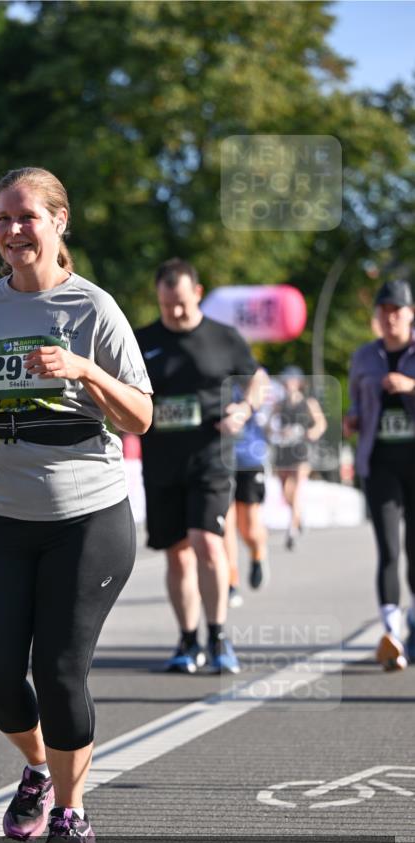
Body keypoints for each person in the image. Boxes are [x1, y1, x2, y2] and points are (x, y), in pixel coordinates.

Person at [0, 167, 152, 843]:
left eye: (26, 216)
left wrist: (84, 370)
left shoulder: (94, 309)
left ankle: (70, 808)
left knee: (60, 671)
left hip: (86, 518)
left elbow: (141, 416)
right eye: (2, 218)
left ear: (59, 222)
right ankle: (38, 767)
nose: (12, 231)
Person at [135, 258, 265, 674]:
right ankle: (188, 641)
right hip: (161, 461)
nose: (174, 312)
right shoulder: (141, 341)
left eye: (181, 303)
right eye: (166, 304)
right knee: (177, 555)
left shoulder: (224, 337)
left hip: (212, 456)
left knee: (207, 542)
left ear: (198, 293)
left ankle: (219, 636)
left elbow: (256, 378)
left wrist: (244, 409)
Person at [345, 279, 415, 671]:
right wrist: (353, 418)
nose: (390, 319)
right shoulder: (364, 356)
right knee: (388, 548)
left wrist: (410, 386)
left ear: (410, 314)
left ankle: (413, 620)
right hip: (380, 463)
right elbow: (356, 402)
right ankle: (391, 633)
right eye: (383, 312)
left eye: (396, 311)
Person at [268, 366, 327, 550]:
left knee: (295, 488)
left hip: (301, 450)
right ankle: (299, 518)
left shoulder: (308, 403)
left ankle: (292, 530)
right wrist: (278, 432)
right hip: (284, 449)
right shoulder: (280, 404)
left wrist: (311, 433)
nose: (288, 384)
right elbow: (269, 425)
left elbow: (320, 424)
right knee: (285, 492)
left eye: (291, 380)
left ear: (299, 383)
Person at [224, 382, 271, 607]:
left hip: (249, 457)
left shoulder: (250, 371)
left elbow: (262, 394)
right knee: (226, 523)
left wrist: (244, 406)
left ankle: (258, 553)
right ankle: (231, 581)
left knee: (249, 527)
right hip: (219, 457)